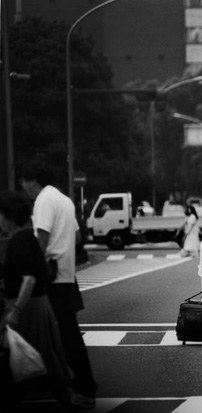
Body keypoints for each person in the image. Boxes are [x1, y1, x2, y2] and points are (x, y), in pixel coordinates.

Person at [20, 162, 97, 409]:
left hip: (50, 276)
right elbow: (76, 237)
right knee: (62, 333)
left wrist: (31, 272)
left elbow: (40, 239)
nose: (23, 188)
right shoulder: (64, 199)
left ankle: (83, 385)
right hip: (65, 275)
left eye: (24, 182)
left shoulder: (43, 200)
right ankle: (55, 381)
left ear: (32, 181)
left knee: (62, 334)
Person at [0, 190, 73, 411]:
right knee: (41, 357)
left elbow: (29, 278)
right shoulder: (27, 238)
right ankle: (65, 398)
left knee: (24, 357)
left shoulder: (19, 241)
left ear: (9, 217)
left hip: (28, 307)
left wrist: (15, 311)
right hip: (38, 306)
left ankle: (64, 398)